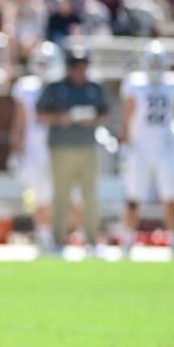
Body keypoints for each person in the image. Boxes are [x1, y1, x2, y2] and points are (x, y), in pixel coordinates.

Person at [118, 40, 174, 255]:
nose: (156, 66)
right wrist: (124, 141)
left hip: (166, 146)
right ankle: (128, 237)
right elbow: (128, 114)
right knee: (133, 195)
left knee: (171, 195)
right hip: (140, 146)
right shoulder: (135, 83)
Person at [36, 44, 109, 250]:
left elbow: (105, 114)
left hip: (87, 147)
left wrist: (92, 120)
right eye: (76, 65)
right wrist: (60, 118)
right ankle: (58, 240)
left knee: (90, 195)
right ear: (68, 67)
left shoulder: (95, 87)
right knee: (61, 195)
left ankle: (92, 240)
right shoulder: (55, 86)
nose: (80, 69)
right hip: (61, 148)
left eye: (83, 64)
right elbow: (40, 114)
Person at [10, 41, 64, 252]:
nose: (43, 67)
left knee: (61, 194)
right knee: (39, 195)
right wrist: (16, 150)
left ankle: (57, 235)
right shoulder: (27, 86)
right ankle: (44, 236)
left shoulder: (62, 86)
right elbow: (19, 122)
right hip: (35, 148)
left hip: (59, 147)